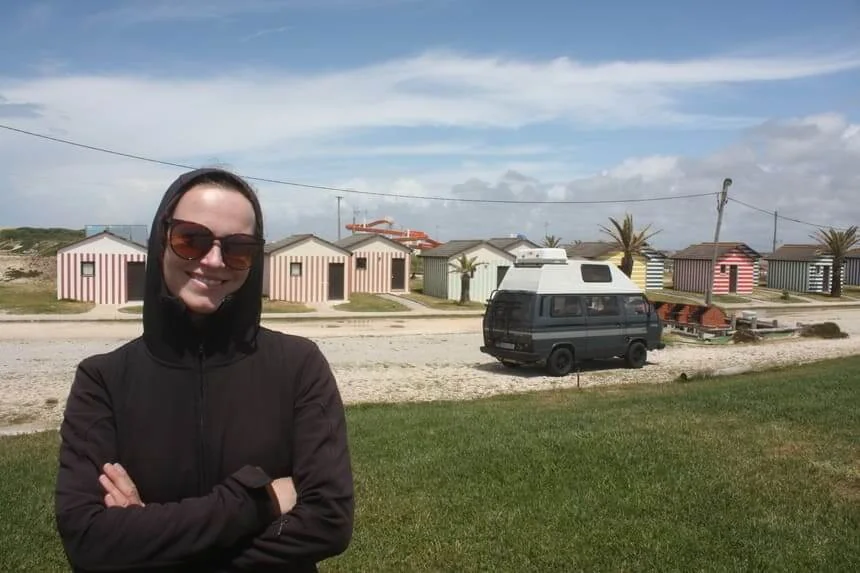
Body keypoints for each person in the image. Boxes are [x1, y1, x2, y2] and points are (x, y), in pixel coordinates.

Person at [54, 167, 354, 572]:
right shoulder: (103, 380)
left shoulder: (298, 365)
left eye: (238, 248)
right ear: (162, 241)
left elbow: (328, 522)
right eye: (190, 239)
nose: (213, 261)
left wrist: (145, 540)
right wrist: (258, 501)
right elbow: (89, 542)